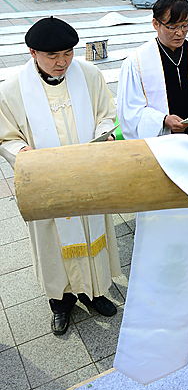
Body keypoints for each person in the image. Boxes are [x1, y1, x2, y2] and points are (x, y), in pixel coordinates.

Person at [0, 17, 121, 335]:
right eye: (52, 55)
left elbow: (106, 114)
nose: (62, 62)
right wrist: (21, 153)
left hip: (87, 178)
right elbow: (6, 137)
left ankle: (93, 292)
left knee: (91, 232)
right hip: (47, 183)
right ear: (32, 53)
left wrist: (105, 134)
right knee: (54, 243)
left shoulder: (90, 75)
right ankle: (61, 301)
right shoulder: (13, 91)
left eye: (67, 53)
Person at [117, 0, 188, 139]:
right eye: (172, 27)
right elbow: (130, 110)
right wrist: (162, 120)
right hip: (161, 145)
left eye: (184, 25)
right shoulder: (137, 62)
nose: (179, 33)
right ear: (155, 24)